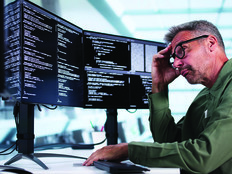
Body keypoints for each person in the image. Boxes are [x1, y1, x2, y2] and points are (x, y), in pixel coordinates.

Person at [83, 20, 232, 174]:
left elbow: (203, 156)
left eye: (182, 51)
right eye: (174, 58)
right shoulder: (206, 95)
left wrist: (128, 150)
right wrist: (159, 86)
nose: (177, 64)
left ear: (211, 43)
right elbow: (167, 142)